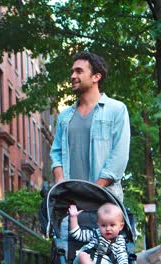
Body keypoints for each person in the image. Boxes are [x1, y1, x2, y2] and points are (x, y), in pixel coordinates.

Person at [50, 51, 130, 202]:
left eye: (79, 71)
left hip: (105, 202)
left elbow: (119, 157)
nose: (73, 76)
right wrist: (60, 183)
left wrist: (93, 191)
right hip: (69, 204)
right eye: (72, 71)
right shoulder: (64, 116)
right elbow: (56, 153)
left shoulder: (116, 110)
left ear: (96, 77)